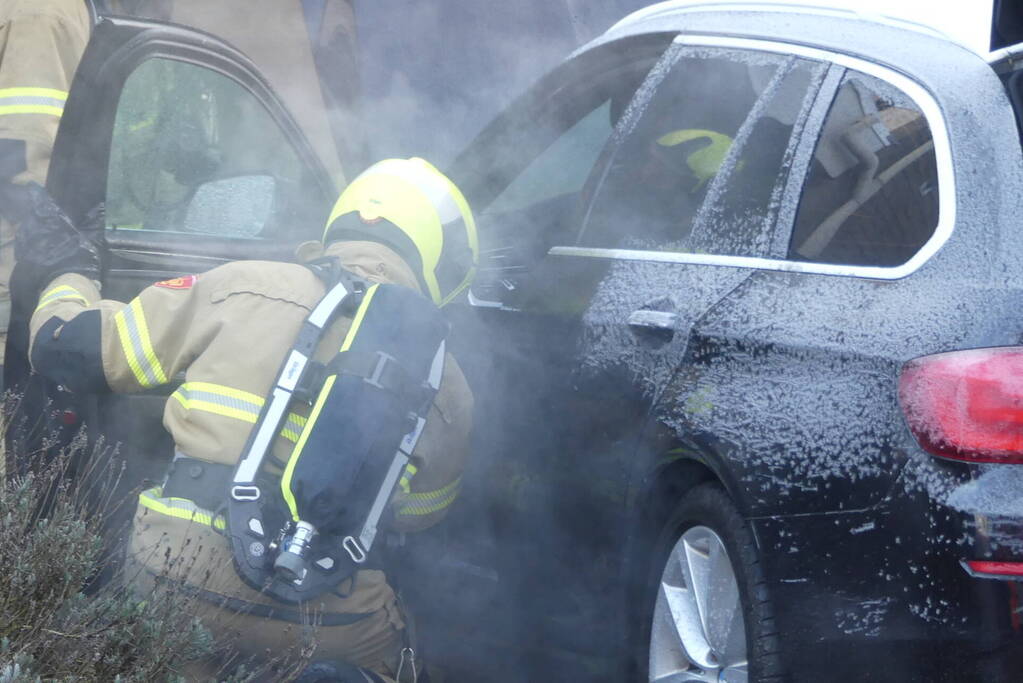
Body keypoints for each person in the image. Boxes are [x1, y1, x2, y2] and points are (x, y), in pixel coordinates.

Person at [20, 157, 477, 682]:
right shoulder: (448, 382)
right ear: (439, 260)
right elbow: (420, 515)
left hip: (177, 572)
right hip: (327, 614)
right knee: (396, 657)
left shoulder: (243, 285)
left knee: (160, 652)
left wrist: (67, 273)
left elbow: (71, 350)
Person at [0, 0, 353, 387]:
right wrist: (58, 237)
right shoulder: (46, 17)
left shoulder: (117, 20)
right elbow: (20, 158)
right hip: (21, 252)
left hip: (93, 245)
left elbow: (121, 135)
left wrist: (184, 156)